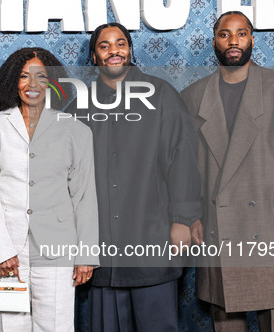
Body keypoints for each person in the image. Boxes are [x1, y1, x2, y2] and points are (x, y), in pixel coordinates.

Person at [180, 11, 274, 332]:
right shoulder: (192, 97)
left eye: (241, 34)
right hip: (218, 226)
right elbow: (186, 167)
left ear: (252, 39)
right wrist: (192, 216)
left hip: (271, 224)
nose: (233, 41)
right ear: (214, 41)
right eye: (225, 35)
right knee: (225, 320)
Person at [68, 23, 202, 332]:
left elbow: (182, 158)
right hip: (103, 249)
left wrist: (182, 219)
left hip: (151, 241)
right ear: (93, 56)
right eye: (104, 45)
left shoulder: (161, 95)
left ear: (130, 50)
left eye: (120, 44)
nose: (114, 50)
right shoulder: (80, 105)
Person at [0, 47, 99, 331]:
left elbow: (84, 195)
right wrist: (1, 251)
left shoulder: (76, 132)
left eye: (41, 76)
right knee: (11, 327)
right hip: (8, 253)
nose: (32, 85)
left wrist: (86, 254)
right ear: (11, 82)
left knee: (56, 326)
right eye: (23, 77)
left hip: (58, 250)